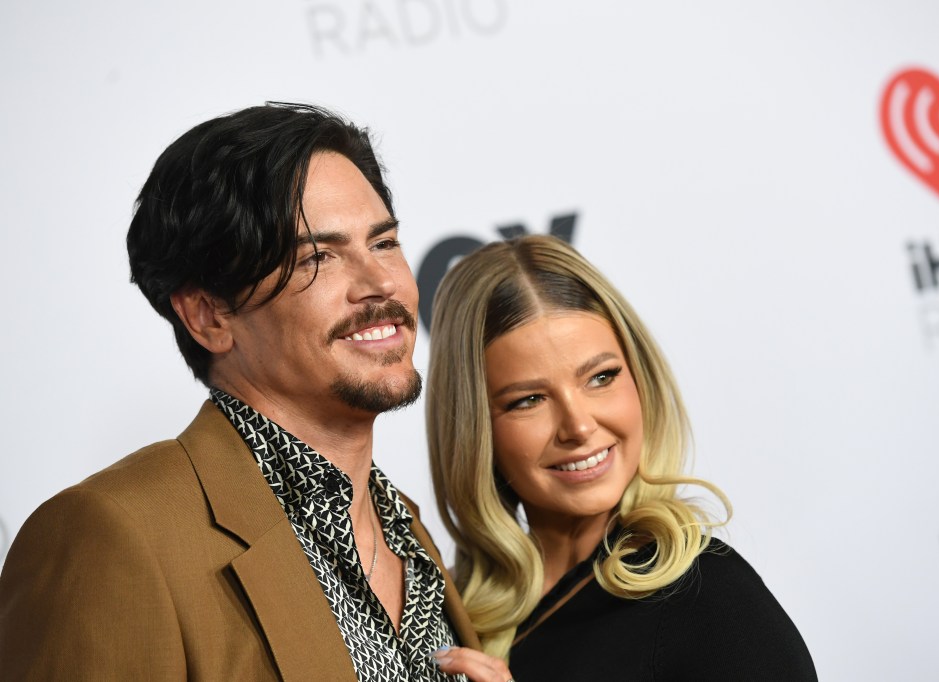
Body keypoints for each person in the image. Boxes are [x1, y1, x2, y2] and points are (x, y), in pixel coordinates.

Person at [0, 103, 512, 682]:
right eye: (318, 257)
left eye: (384, 243)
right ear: (209, 315)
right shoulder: (112, 536)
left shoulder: (406, 530)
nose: (380, 285)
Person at [426, 235, 817, 680]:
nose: (579, 426)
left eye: (601, 377)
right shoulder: (451, 616)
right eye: (529, 399)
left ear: (638, 377)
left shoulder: (710, 599)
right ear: (474, 430)